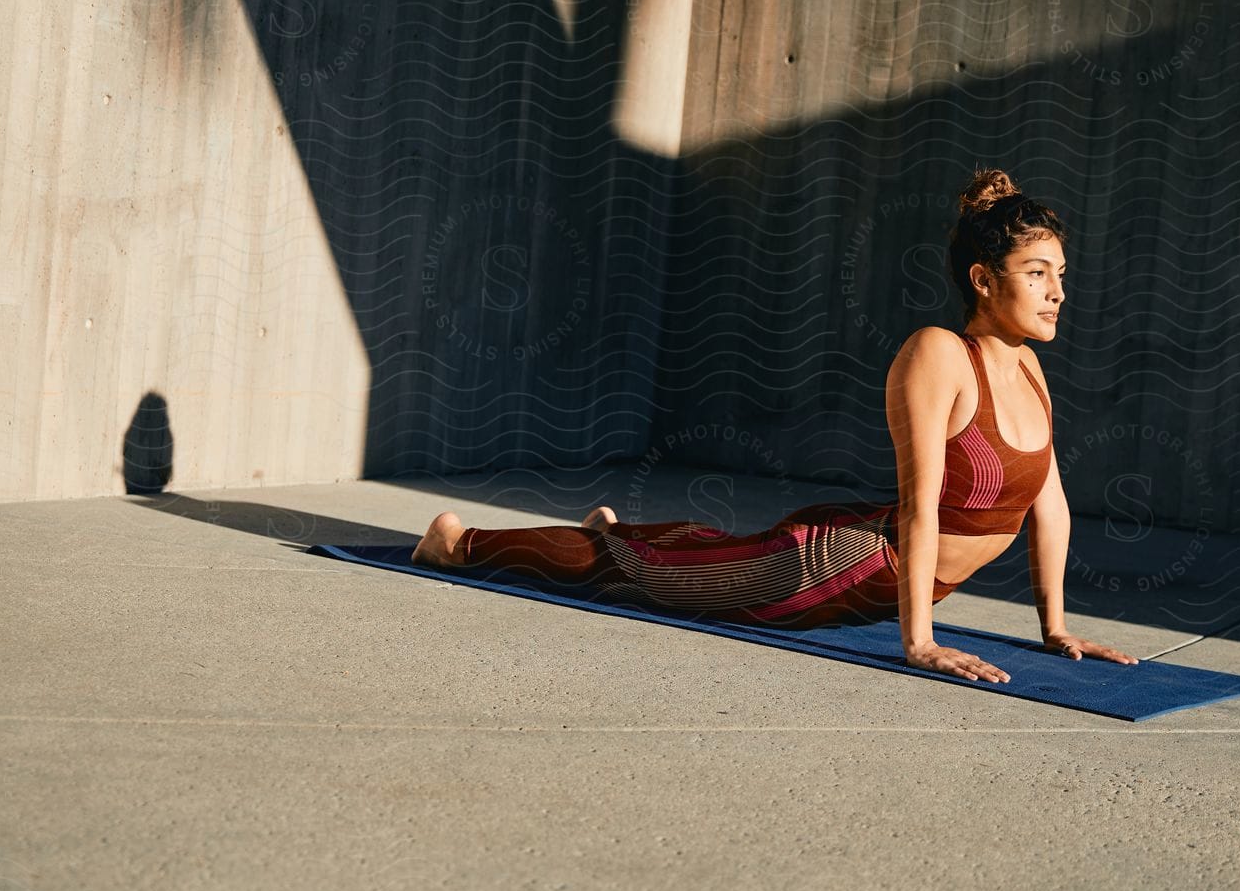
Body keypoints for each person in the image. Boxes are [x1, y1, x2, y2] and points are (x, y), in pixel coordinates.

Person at [410, 167, 1139, 681]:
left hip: (877, 578)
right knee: (646, 578)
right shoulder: (938, 355)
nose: (1057, 294)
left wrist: (1055, 629)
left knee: (704, 554)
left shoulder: (1028, 369)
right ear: (985, 280)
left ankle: (610, 531)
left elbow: (1049, 505)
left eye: (1062, 274)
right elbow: (919, 508)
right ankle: (458, 542)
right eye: (1039, 272)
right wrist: (918, 642)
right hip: (831, 570)